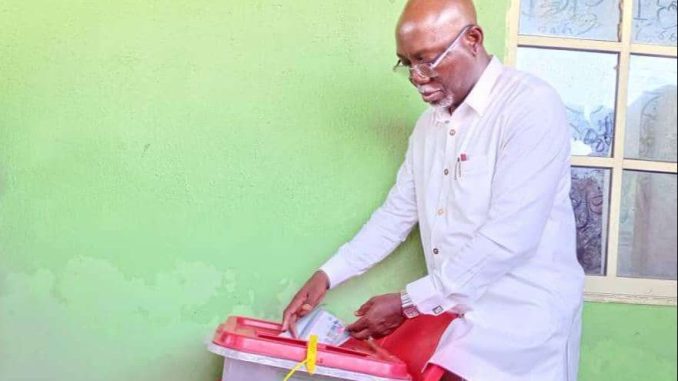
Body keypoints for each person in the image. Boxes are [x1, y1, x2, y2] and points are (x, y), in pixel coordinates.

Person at [282, 0, 585, 380]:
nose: (416, 76)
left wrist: (408, 303)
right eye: (406, 63)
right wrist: (328, 274)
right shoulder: (430, 127)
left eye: (427, 60)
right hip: (456, 315)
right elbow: (397, 215)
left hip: (523, 321)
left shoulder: (529, 107)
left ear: (473, 39)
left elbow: (510, 236)